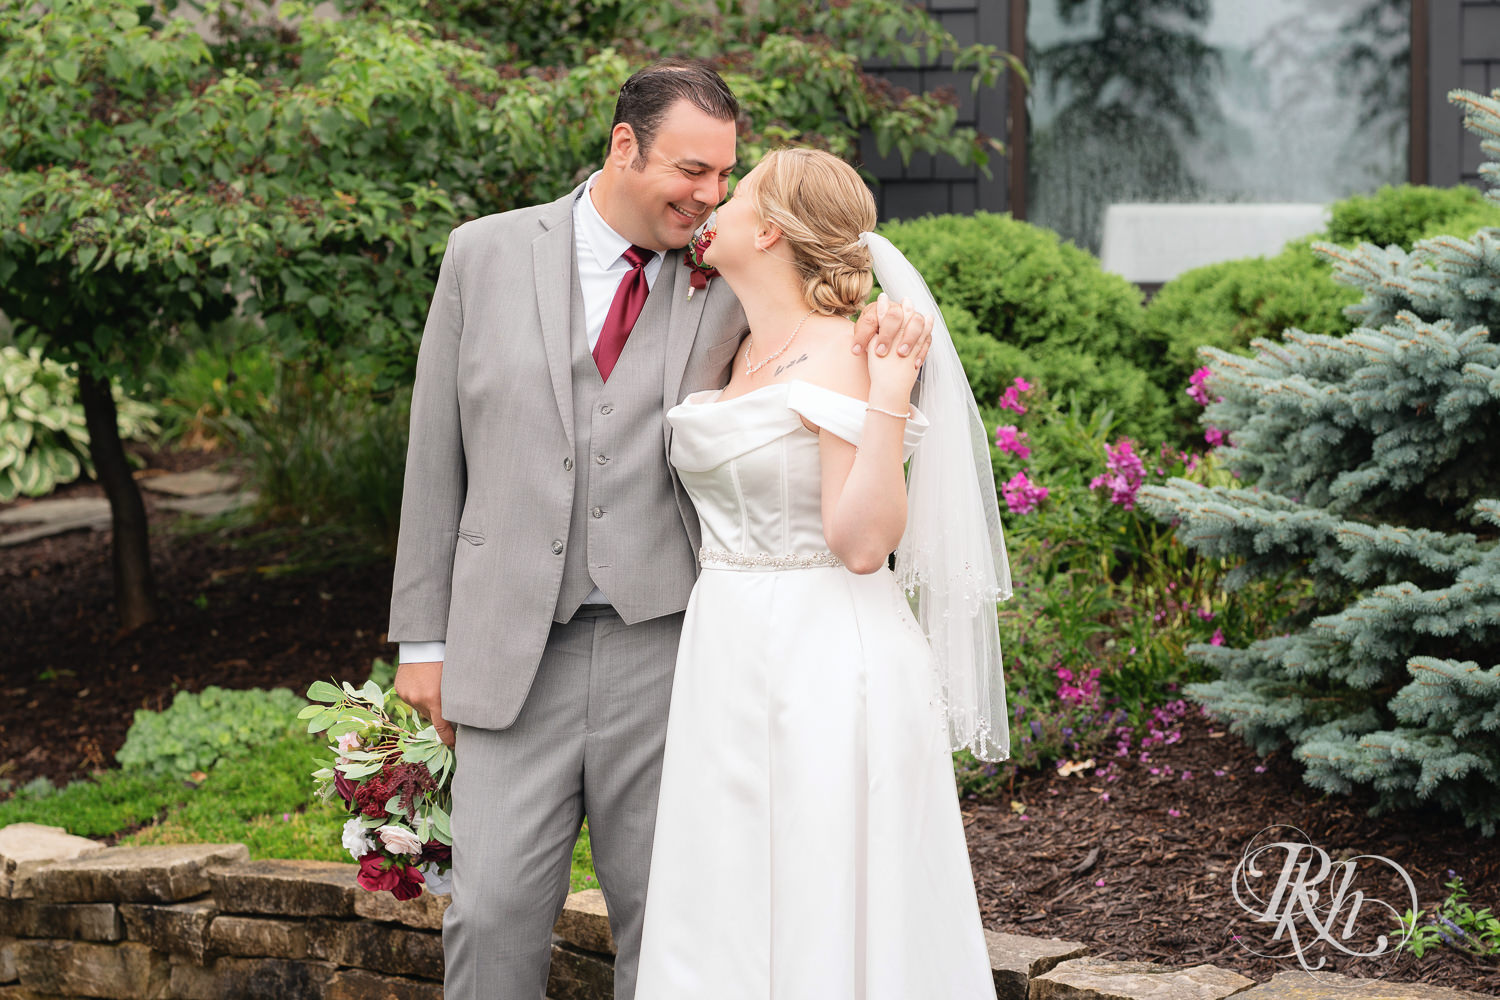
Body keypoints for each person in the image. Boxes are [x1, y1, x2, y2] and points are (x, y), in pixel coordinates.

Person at [387, 63, 933, 1000]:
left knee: (675, 917)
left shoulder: (725, 267)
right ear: (623, 146)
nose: (709, 196)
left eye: (724, 177)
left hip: (674, 643)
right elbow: (435, 455)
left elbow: (819, 314)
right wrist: (423, 639)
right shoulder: (482, 253)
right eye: (691, 170)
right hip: (514, 640)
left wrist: (880, 331)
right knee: (488, 913)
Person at [635, 148, 1011, 998]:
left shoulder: (854, 352)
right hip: (725, 650)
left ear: (768, 230)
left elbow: (862, 542)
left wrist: (889, 392)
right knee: (726, 892)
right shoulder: (733, 352)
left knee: (820, 885)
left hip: (826, 654)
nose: (714, 206)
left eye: (735, 194)